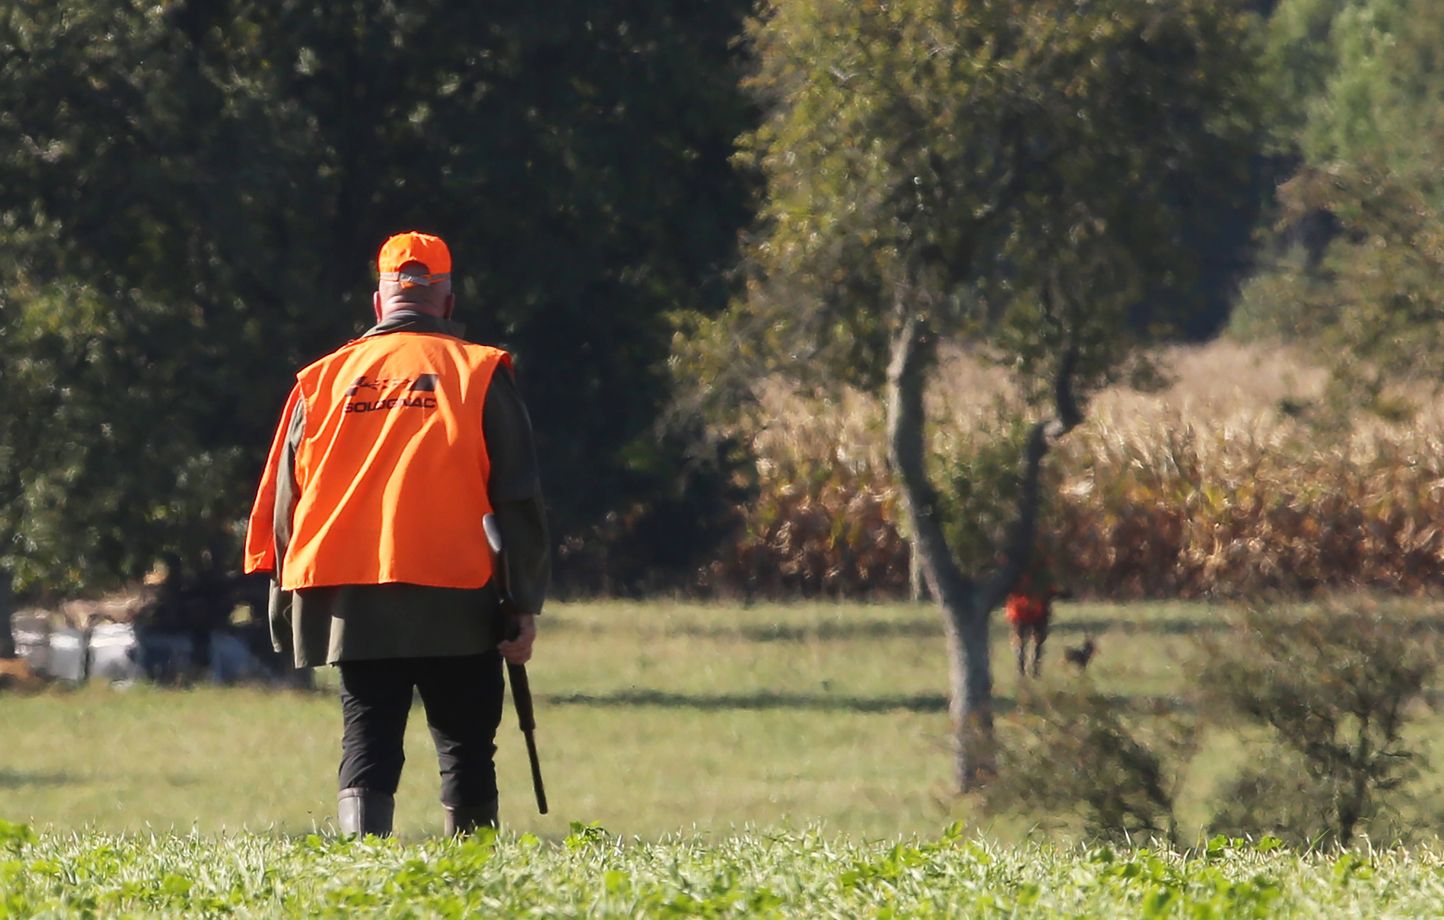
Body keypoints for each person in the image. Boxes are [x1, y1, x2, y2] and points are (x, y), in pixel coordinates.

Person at [243, 231, 549, 837]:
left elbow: (286, 504)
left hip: (354, 598)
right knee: (465, 741)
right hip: (458, 591)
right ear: (448, 302)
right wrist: (523, 604)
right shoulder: (481, 372)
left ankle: (364, 870)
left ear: (380, 305)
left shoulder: (321, 379)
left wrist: (283, 602)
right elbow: (517, 498)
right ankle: (473, 875)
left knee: (368, 733)